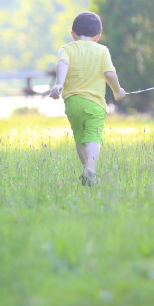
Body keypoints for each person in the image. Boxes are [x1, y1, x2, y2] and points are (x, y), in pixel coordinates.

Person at [50, 11, 126, 186]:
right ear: (98, 36)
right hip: (95, 104)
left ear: (73, 34)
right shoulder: (102, 50)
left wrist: (59, 83)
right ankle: (90, 169)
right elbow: (109, 73)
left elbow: (63, 63)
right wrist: (117, 90)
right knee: (93, 137)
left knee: (80, 137)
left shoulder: (67, 49)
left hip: (72, 103)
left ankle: (86, 169)